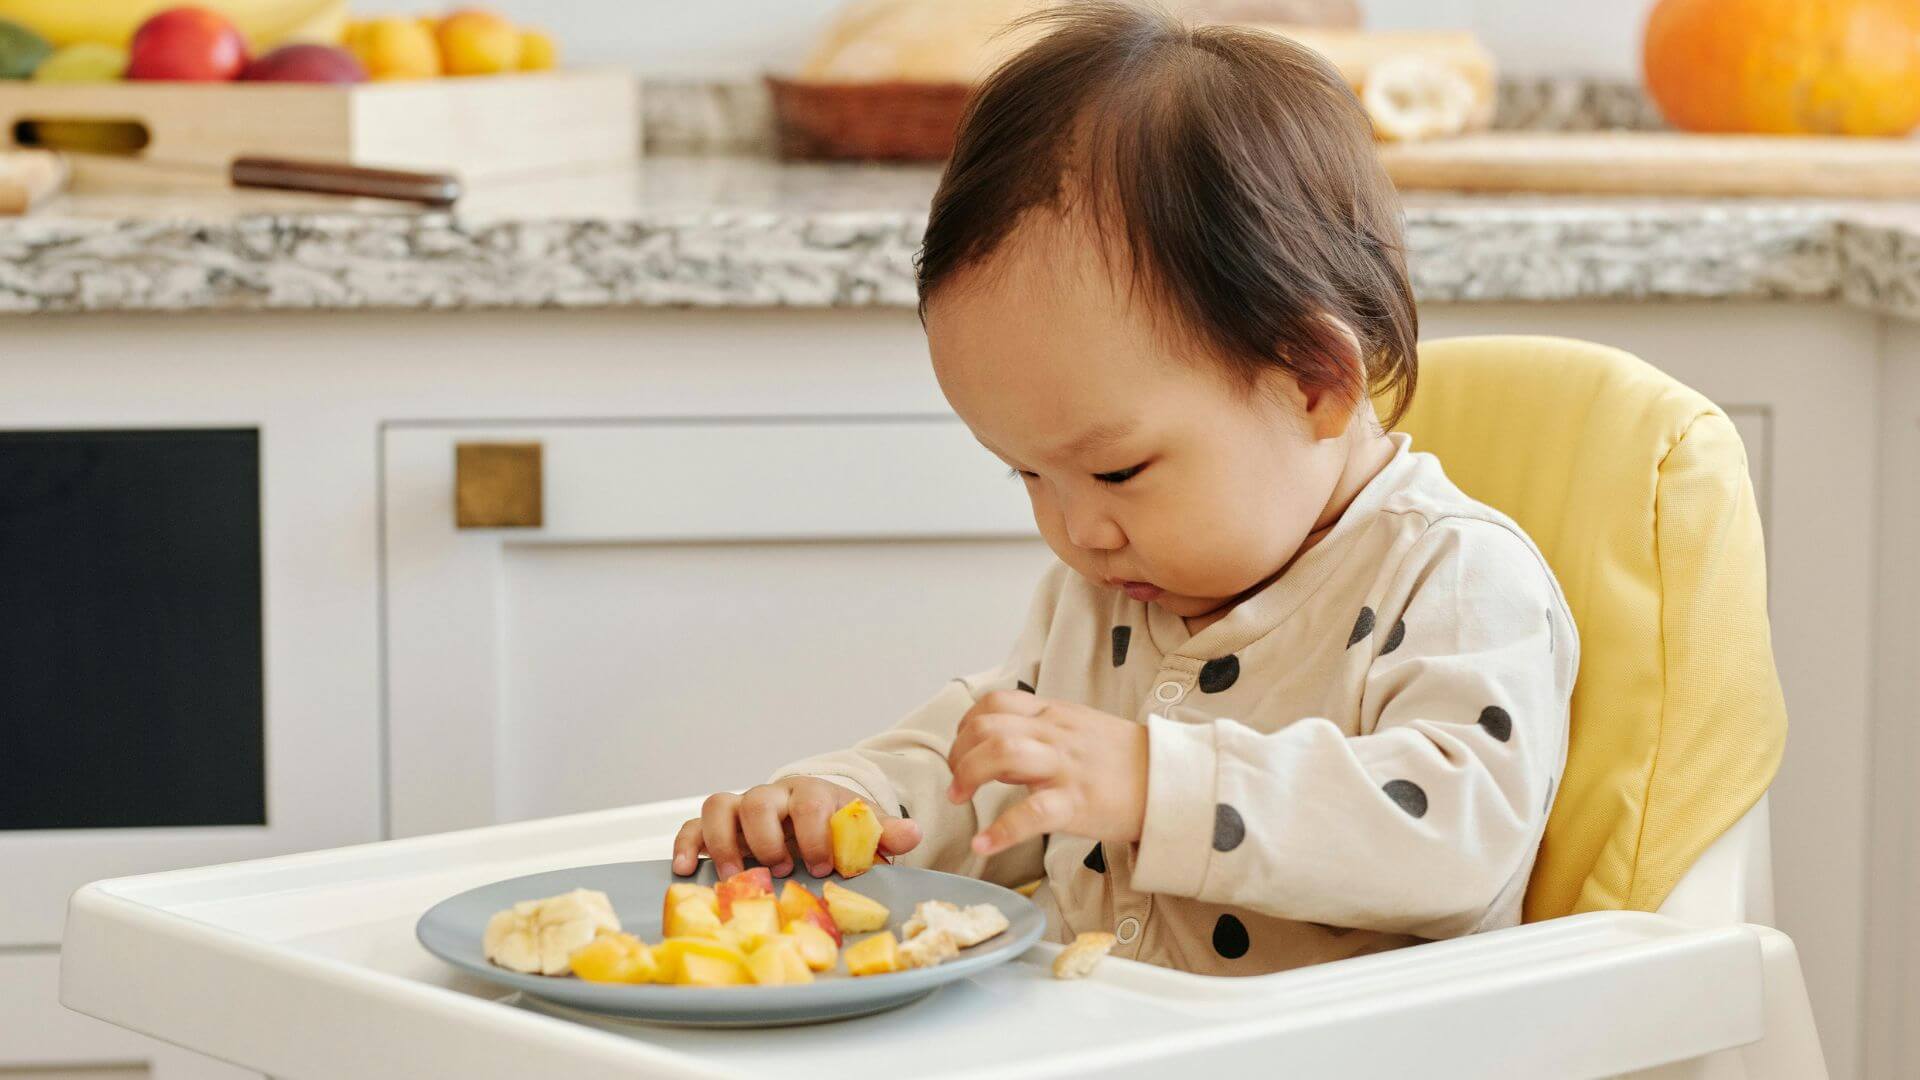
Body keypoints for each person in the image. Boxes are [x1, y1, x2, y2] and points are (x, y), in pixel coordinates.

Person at [673, 0, 1576, 974]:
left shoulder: (1450, 575)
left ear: (1314, 381)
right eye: (1028, 473)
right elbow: (990, 762)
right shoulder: (1111, 584)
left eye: (1116, 470)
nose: (1074, 530)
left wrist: (1159, 782)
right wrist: (841, 806)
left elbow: (1457, 835)